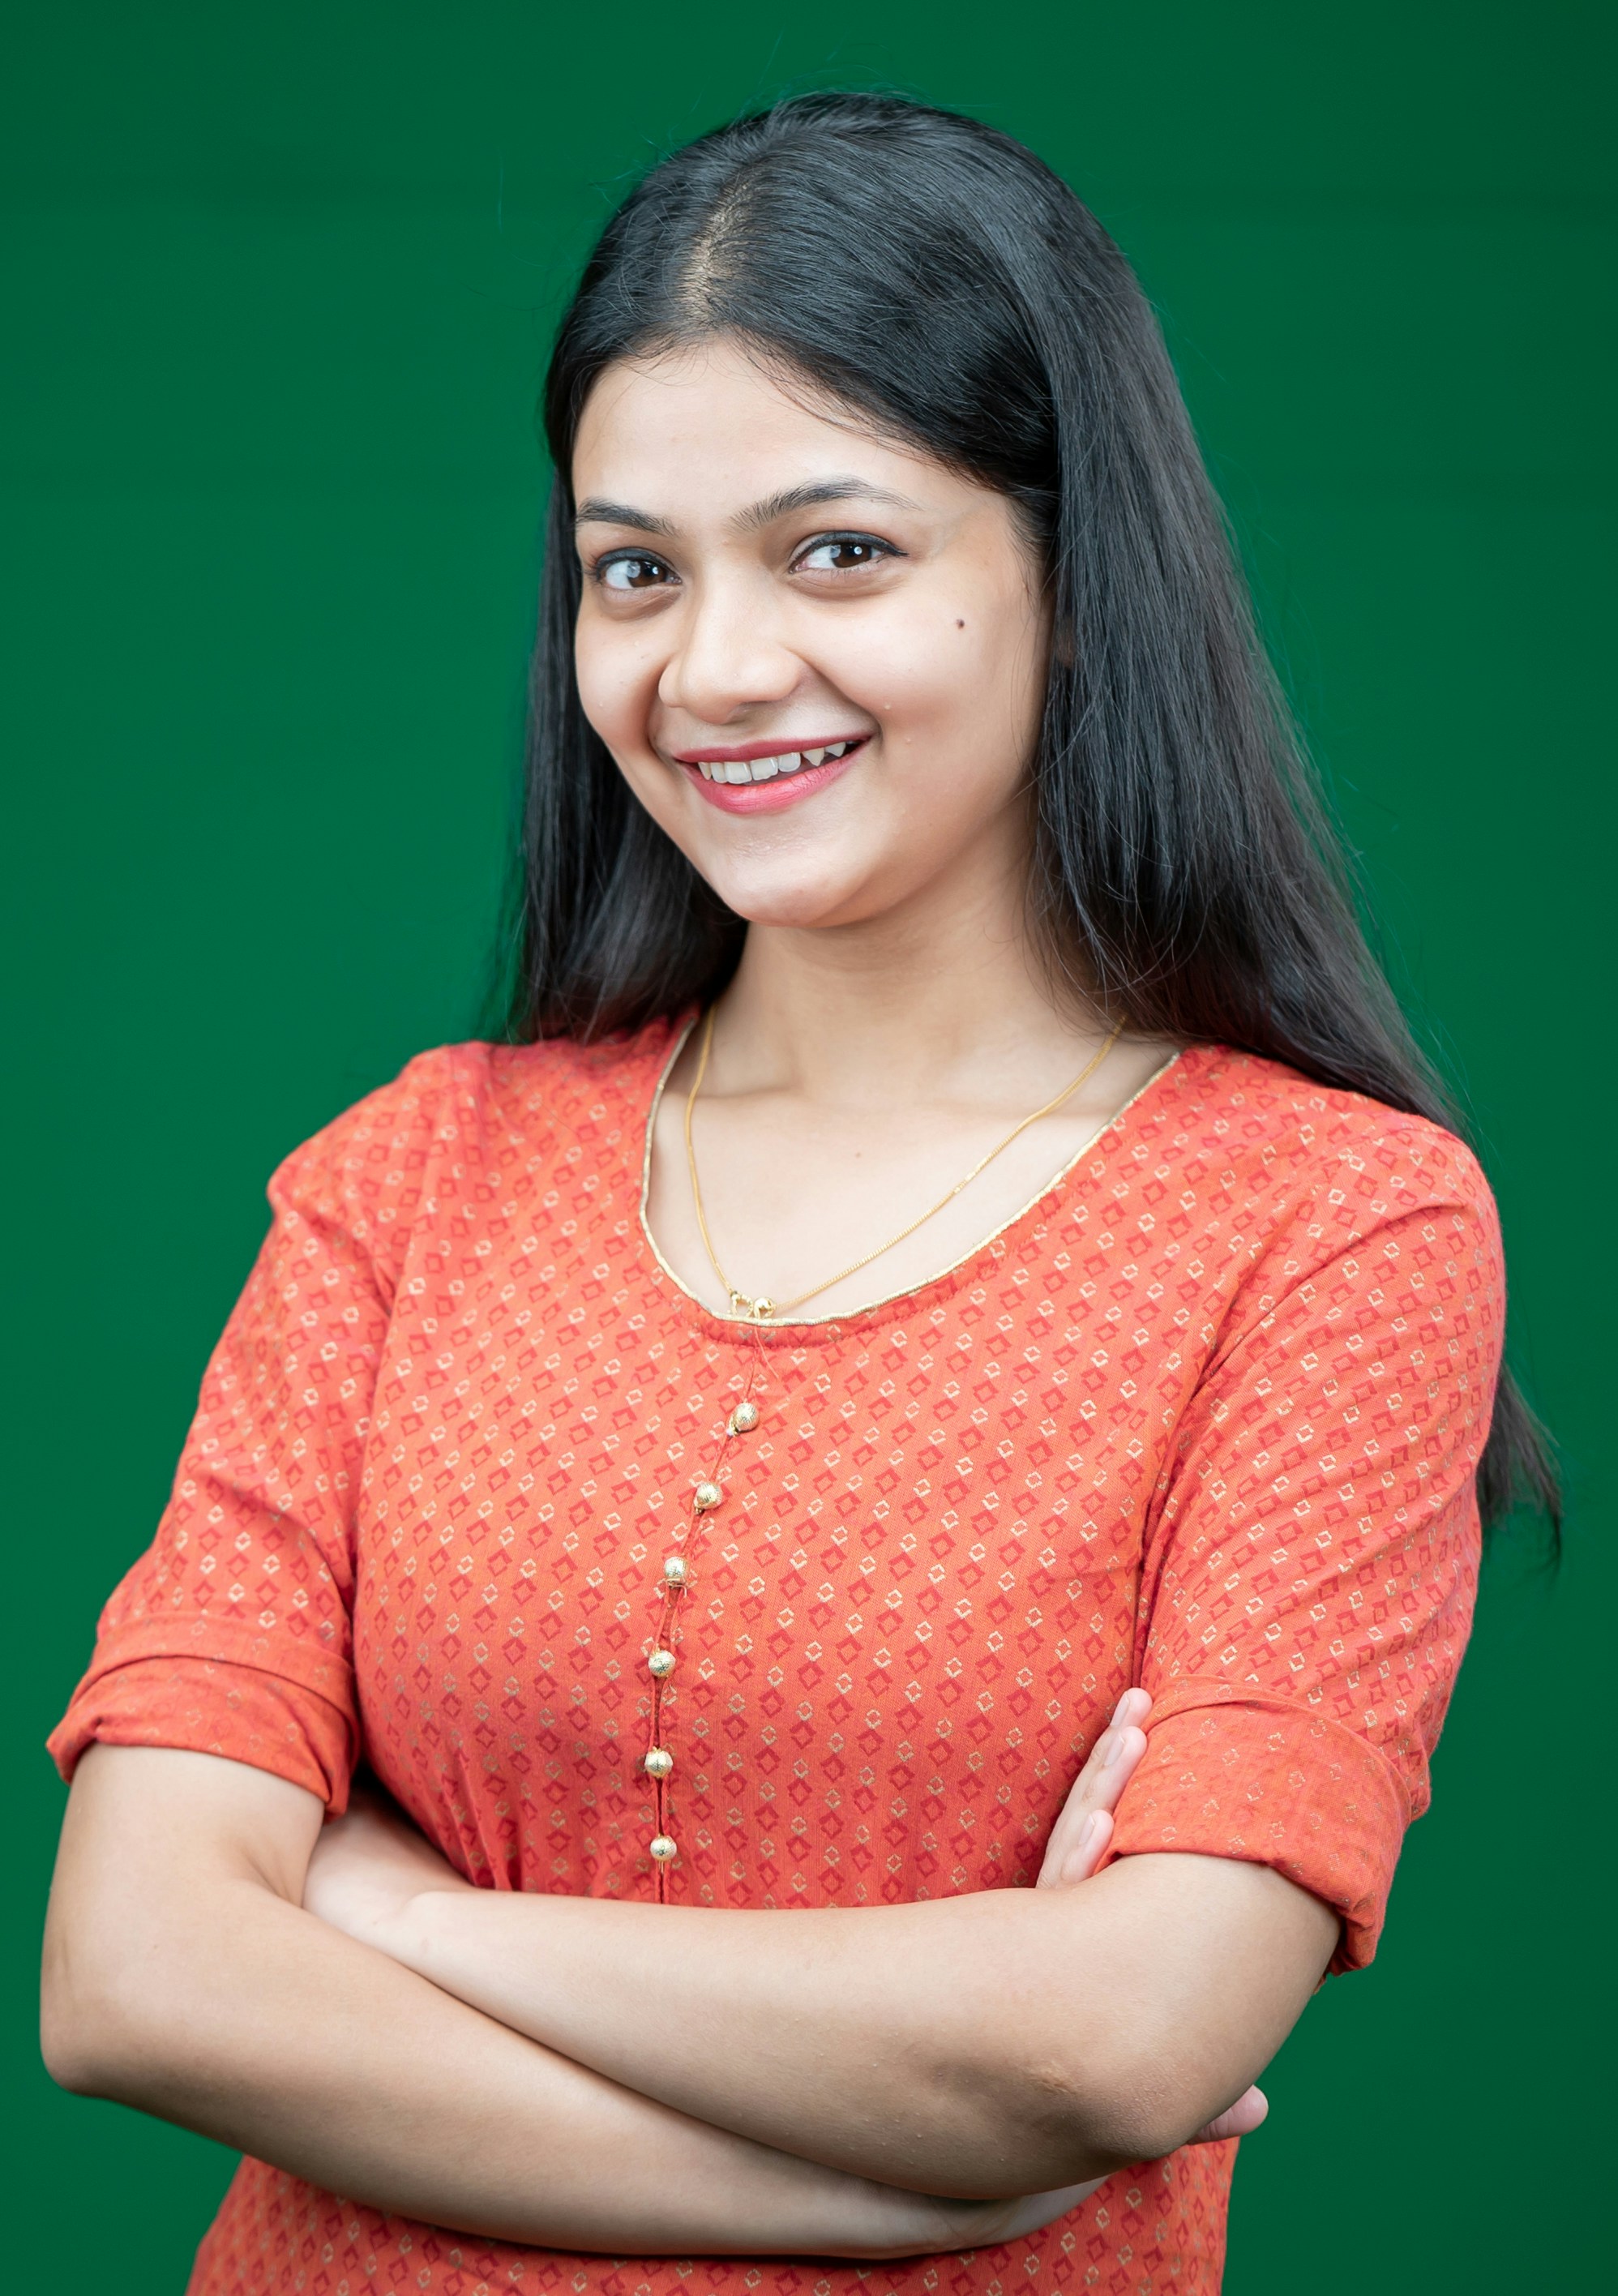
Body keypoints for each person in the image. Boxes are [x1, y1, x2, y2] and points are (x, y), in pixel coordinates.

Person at [41, 93, 1553, 2296]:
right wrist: (867, 2176)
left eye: (836, 549)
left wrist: (387, 1911)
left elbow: (1117, 2043)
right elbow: (137, 1981)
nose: (713, 668)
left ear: (1069, 568)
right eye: (632, 568)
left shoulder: (1334, 1227)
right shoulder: (411, 1175)